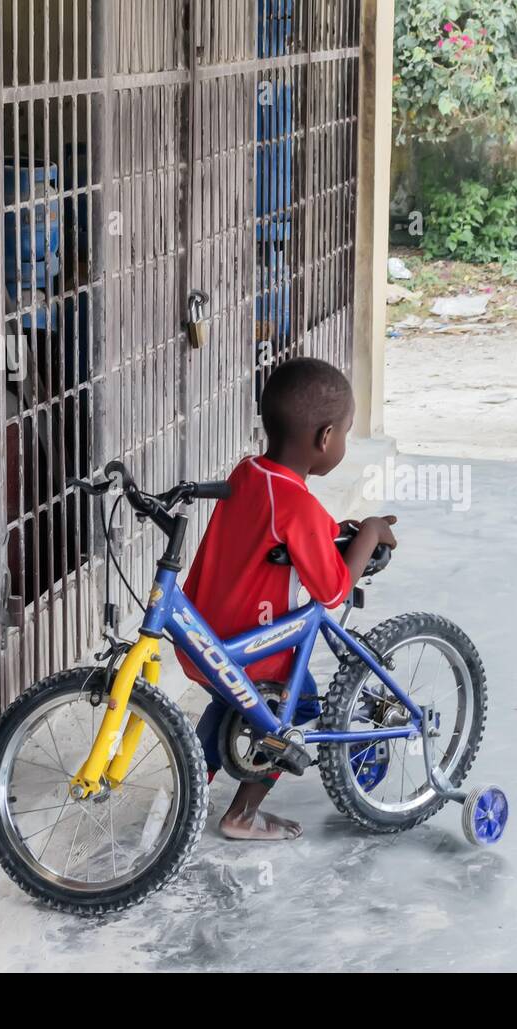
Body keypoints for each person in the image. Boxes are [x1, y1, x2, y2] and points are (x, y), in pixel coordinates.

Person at [178, 357, 397, 840]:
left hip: (206, 637)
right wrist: (370, 533)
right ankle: (241, 816)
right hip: (257, 650)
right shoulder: (300, 506)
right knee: (291, 713)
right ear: (325, 439)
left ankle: (190, 785)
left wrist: (329, 534)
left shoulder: (247, 472)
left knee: (230, 704)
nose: (341, 442)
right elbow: (334, 589)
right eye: (344, 433)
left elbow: (265, 544)